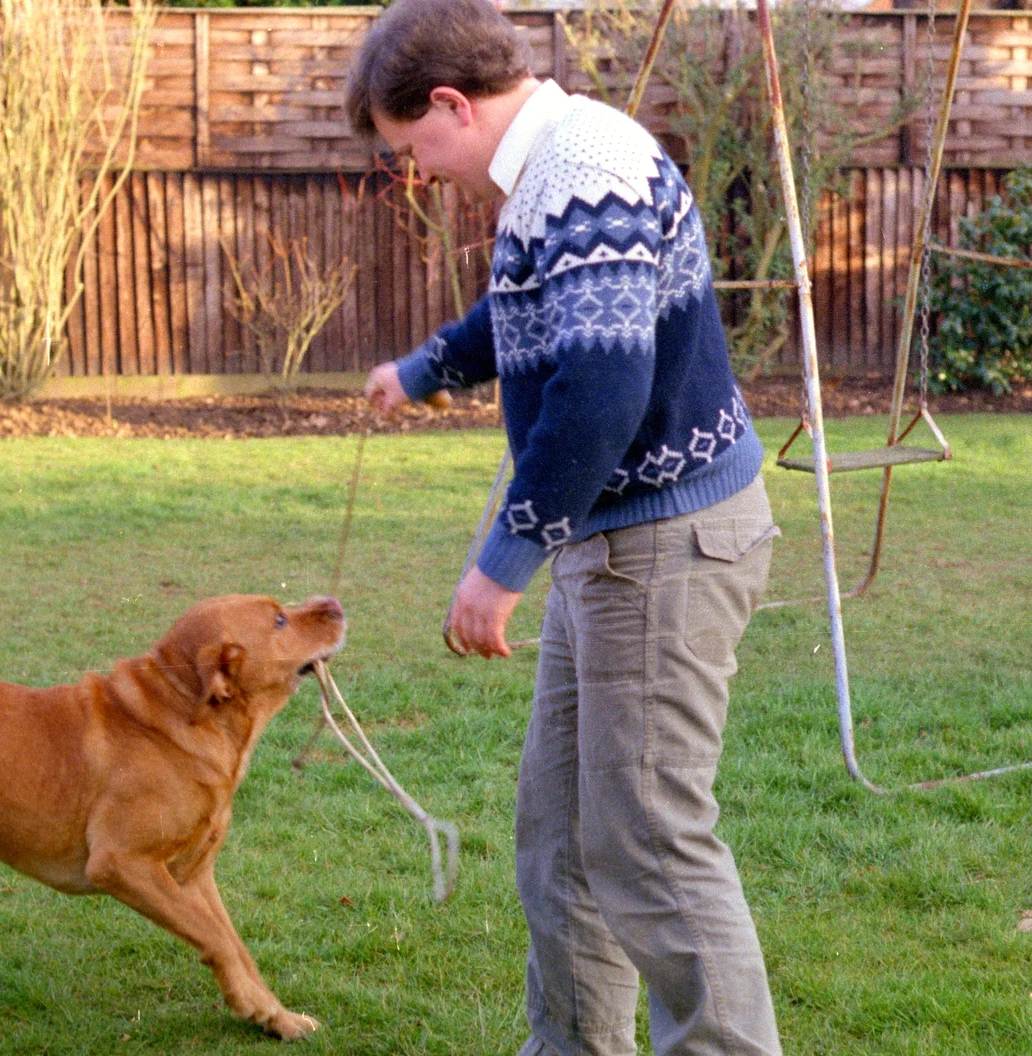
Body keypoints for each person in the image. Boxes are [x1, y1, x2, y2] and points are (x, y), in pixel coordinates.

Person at [347, 1, 782, 1052]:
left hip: (667, 546)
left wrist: (502, 563)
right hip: (616, 544)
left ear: (452, 104)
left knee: (647, 844)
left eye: (412, 150)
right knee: (561, 839)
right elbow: (532, 311)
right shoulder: (546, 175)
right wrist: (428, 369)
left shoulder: (585, 166)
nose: (419, 175)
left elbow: (600, 392)